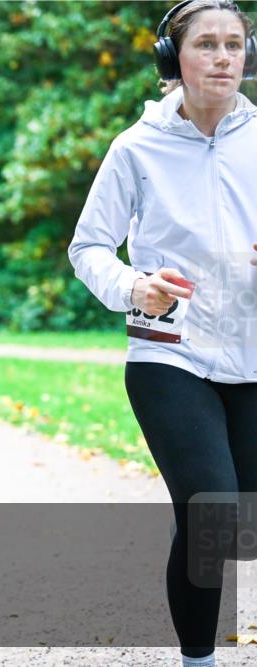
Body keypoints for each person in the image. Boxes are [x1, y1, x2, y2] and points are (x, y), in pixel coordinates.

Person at [68, 2, 257, 665]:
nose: (223, 57)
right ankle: (198, 659)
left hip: (252, 354)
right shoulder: (136, 147)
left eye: (234, 44)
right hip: (169, 354)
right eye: (206, 44)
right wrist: (132, 286)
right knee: (211, 511)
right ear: (173, 58)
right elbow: (89, 247)